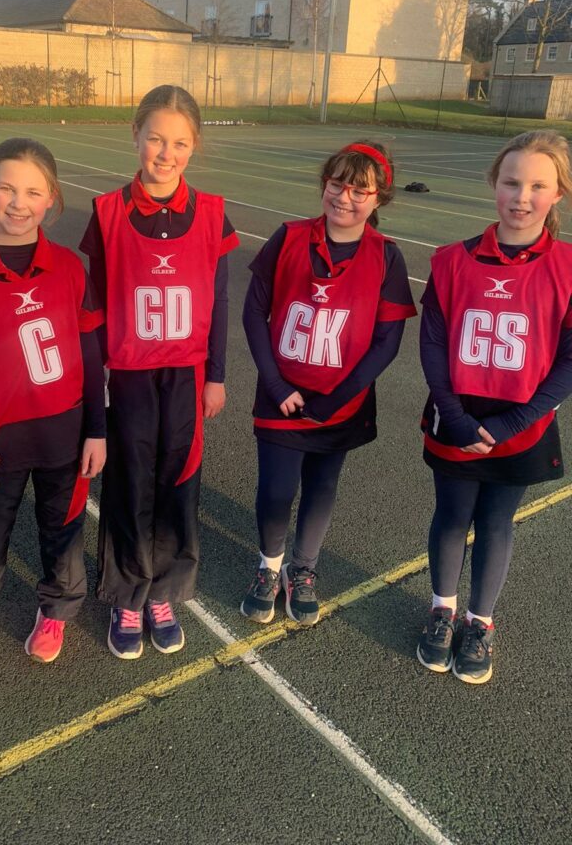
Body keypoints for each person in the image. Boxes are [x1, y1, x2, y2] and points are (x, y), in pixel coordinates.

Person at [0, 138, 105, 668]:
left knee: (64, 527)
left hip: (65, 434)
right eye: (6, 187)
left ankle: (56, 609)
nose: (17, 202)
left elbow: (91, 352)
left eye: (33, 191)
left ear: (51, 198)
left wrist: (97, 429)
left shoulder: (71, 267)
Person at [80, 85, 239, 660]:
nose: (164, 153)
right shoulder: (106, 212)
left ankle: (164, 592)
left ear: (194, 147)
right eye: (155, 139)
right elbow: (93, 308)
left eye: (178, 142)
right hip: (126, 375)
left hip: (186, 375)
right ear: (136, 137)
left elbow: (219, 302)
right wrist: (94, 383)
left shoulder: (213, 213)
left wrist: (216, 374)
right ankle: (126, 593)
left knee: (178, 483)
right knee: (128, 485)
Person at [417, 130, 572, 685]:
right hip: (456, 414)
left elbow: (569, 362)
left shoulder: (569, 267)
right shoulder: (452, 261)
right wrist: (455, 416)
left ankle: (480, 622)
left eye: (538, 185)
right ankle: (442, 609)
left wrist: (512, 422)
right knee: (452, 515)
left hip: (523, 422)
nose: (522, 196)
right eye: (511, 182)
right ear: (493, 184)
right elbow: (432, 343)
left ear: (559, 194)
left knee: (498, 520)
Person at [240, 142, 416, 626]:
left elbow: (386, 341)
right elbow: (255, 312)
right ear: (324, 184)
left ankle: (304, 569)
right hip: (283, 392)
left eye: (360, 190)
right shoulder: (289, 236)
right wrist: (276, 387)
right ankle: (269, 565)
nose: (345, 197)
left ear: (379, 199)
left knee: (321, 487)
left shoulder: (387, 256)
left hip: (342, 400)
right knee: (276, 490)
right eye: (337, 184)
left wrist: (337, 398)